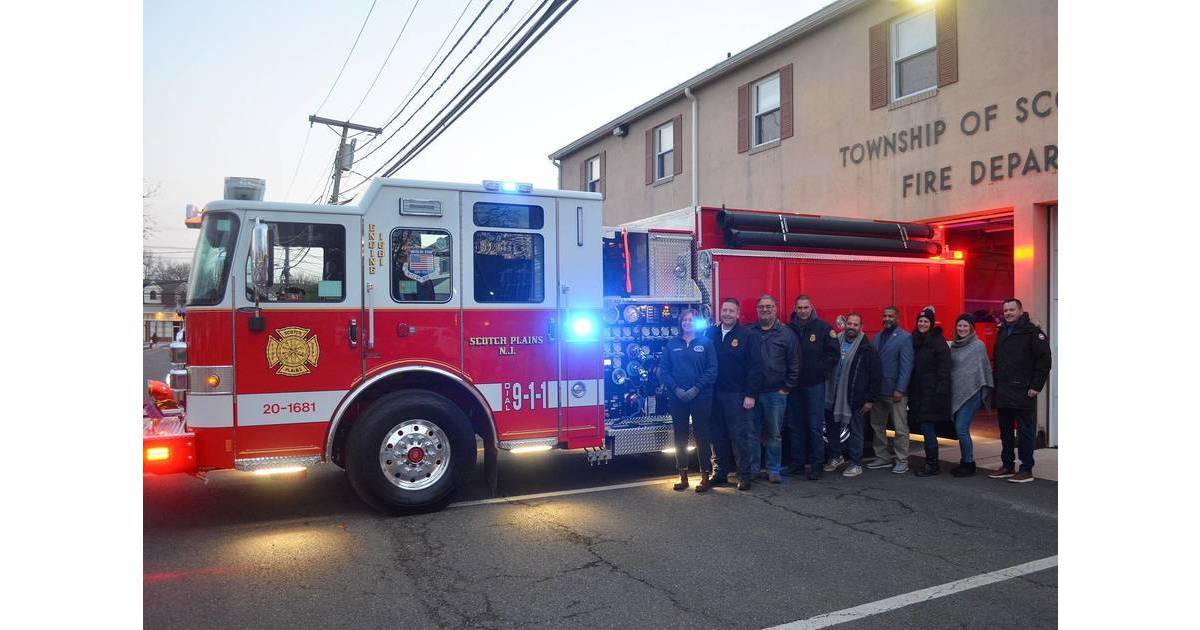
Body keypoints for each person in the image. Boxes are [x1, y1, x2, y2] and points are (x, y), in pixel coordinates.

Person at [988, 298, 1052, 484]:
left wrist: (1036, 386)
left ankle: (1026, 469)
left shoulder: (1032, 332)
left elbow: (1044, 361)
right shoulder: (1002, 331)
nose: (1008, 313)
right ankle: (1007, 465)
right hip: (1004, 390)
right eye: (1006, 310)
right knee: (1005, 431)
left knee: (1025, 432)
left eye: (1011, 310)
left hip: (1024, 391)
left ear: (1020, 310)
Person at [659, 308, 719, 492]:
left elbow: (712, 370)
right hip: (678, 398)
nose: (687, 322)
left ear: (697, 323)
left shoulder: (706, 343)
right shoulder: (671, 345)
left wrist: (695, 389)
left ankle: (705, 477)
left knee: (702, 435)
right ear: (680, 323)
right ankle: (682, 476)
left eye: (691, 320)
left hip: (701, 397)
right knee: (680, 436)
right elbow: (664, 370)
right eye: (684, 319)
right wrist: (676, 389)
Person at [707, 297, 763, 491]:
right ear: (720, 312)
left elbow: (755, 367)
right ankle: (720, 473)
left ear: (738, 314)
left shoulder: (747, 335)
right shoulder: (711, 333)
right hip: (714, 394)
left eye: (731, 311)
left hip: (737, 395)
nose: (727, 314)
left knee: (740, 437)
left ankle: (744, 475)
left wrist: (751, 395)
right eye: (724, 310)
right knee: (717, 436)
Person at [785, 295, 839, 480]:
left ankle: (817, 465)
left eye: (806, 307)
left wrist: (819, 371)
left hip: (814, 385)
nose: (802, 311)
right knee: (795, 425)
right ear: (795, 308)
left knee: (815, 426)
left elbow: (833, 354)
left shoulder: (823, 328)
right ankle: (798, 463)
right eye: (799, 308)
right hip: (794, 386)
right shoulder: (788, 328)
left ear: (811, 308)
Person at [747, 295, 800, 484]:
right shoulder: (749, 332)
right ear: (757, 309)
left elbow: (794, 362)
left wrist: (786, 388)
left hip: (776, 394)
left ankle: (773, 470)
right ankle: (753, 469)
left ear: (776, 309)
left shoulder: (786, 334)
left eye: (769, 306)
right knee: (752, 433)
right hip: (753, 393)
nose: (765, 310)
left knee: (774, 434)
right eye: (761, 307)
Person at [822, 312, 881, 477]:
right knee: (832, 427)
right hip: (832, 394)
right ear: (845, 324)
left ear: (861, 327)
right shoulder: (834, 341)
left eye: (855, 325)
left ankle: (856, 464)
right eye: (849, 324)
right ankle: (836, 456)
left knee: (856, 430)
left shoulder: (866, 349)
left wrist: (870, 400)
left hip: (855, 396)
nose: (852, 327)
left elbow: (875, 376)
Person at [865, 306, 915, 474]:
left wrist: (900, 389)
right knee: (877, 426)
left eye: (891, 316)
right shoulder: (877, 337)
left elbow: (906, 366)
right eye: (885, 315)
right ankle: (883, 457)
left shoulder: (905, 338)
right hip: (878, 391)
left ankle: (902, 460)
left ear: (897, 318)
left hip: (895, 392)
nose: (887, 318)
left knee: (900, 428)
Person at [908, 309, 952, 477]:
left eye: (926, 321)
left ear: (932, 323)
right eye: (920, 321)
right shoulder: (915, 340)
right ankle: (931, 462)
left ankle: (932, 464)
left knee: (928, 427)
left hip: (932, 393)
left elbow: (944, 369)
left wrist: (941, 392)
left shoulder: (938, 342)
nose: (922, 324)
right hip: (919, 393)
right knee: (925, 427)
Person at [949, 313, 993, 477]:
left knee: (961, 428)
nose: (962, 328)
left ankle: (968, 463)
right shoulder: (954, 345)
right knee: (961, 429)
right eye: (959, 325)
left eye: (965, 326)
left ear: (971, 328)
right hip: (957, 392)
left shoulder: (978, 345)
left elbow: (983, 370)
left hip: (973, 392)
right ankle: (965, 461)